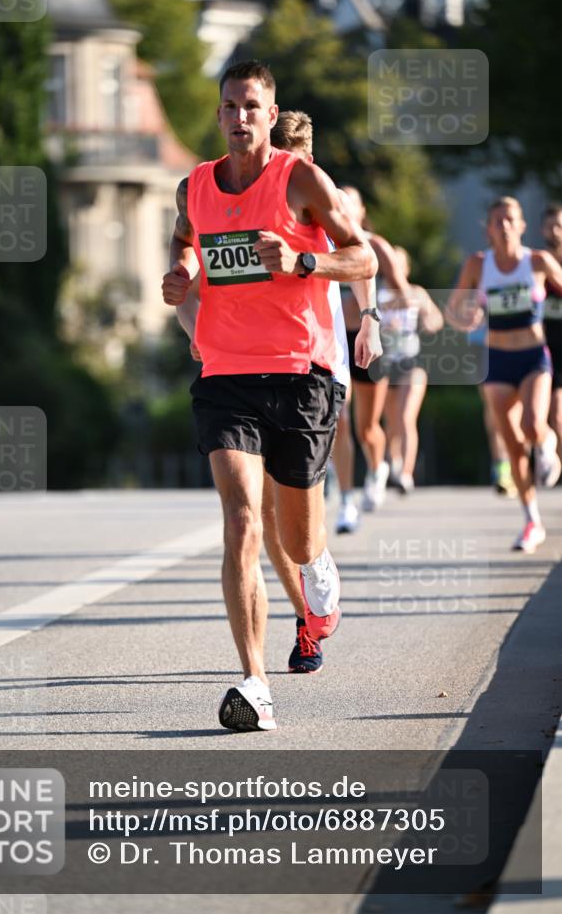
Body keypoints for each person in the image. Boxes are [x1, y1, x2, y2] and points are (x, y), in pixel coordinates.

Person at [161, 61, 377, 730]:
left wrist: (302, 261)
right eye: (229, 106)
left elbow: (362, 257)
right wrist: (181, 272)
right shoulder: (193, 187)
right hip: (225, 375)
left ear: (270, 109)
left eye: (251, 106)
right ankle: (254, 683)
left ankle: (317, 570)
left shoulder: (301, 181)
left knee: (298, 536)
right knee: (242, 523)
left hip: (300, 374)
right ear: (218, 112)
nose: (239, 117)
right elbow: (185, 240)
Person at [446, 196, 562, 553]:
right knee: (511, 444)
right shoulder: (478, 264)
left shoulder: (539, 261)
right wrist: (466, 318)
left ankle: (546, 444)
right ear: (489, 228)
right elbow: (453, 309)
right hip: (497, 359)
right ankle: (531, 520)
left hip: (533, 358)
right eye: (498, 220)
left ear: (522, 225)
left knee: (531, 423)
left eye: (511, 219)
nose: (505, 226)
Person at [332, 187, 411, 528]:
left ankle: (378, 467)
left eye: (350, 202)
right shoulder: (324, 241)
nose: (344, 208)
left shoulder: (375, 246)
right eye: (339, 202)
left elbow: (405, 294)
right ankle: (347, 500)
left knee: (367, 428)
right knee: (339, 418)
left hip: (368, 340)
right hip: (335, 342)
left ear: (361, 210)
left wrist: (375, 313)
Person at [380, 246, 443, 494]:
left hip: (411, 361)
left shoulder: (416, 293)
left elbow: (437, 319)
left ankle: (406, 474)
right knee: (390, 422)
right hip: (384, 364)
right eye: (389, 262)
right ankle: (391, 465)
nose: (393, 267)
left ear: (405, 268)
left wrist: (429, 320)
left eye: (398, 263)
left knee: (406, 417)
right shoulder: (377, 294)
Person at [541, 203, 562, 458]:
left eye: (559, 225)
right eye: (550, 226)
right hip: (541, 348)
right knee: (541, 415)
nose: (555, 231)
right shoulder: (537, 265)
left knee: (557, 413)